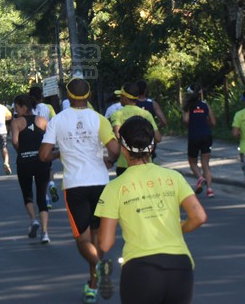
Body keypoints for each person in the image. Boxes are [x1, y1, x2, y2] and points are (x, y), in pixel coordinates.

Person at [96, 116, 207, 303]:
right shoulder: (174, 177)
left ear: (123, 149)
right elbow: (199, 216)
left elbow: (105, 243)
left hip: (140, 270)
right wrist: (178, 228)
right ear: (152, 146)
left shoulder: (113, 188)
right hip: (179, 266)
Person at [39, 78, 121, 303]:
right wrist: (109, 161)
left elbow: (43, 155)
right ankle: (93, 285)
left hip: (75, 185)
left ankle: (99, 267)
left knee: (83, 240)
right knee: (96, 236)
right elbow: (115, 150)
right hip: (100, 183)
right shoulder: (99, 118)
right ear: (89, 95)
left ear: (68, 96)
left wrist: (61, 152)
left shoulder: (58, 120)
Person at [11, 94, 51, 243]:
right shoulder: (43, 121)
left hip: (24, 162)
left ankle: (34, 220)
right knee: (42, 196)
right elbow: (49, 140)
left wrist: (21, 151)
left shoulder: (16, 122)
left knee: (27, 194)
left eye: (17, 107)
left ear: (24, 107)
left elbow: (14, 141)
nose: (16, 111)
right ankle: (45, 233)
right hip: (41, 161)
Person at [109, 82, 161, 177]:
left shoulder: (117, 114)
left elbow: (118, 135)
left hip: (124, 164)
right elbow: (158, 138)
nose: (120, 98)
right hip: (145, 163)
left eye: (121, 96)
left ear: (125, 97)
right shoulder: (146, 114)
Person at [182, 83, 217, 197]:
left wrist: (190, 124)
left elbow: (186, 120)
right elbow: (213, 122)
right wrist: (205, 124)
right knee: (205, 163)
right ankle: (210, 189)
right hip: (206, 135)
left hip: (194, 136)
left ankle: (200, 178)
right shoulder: (205, 105)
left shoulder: (189, 106)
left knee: (192, 162)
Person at [30, 86, 58, 207]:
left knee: (38, 172)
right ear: (41, 96)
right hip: (48, 140)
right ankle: (51, 184)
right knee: (49, 167)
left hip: (33, 142)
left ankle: (45, 198)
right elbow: (55, 121)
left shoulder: (29, 108)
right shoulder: (48, 107)